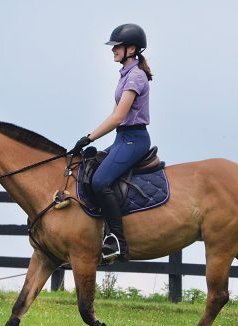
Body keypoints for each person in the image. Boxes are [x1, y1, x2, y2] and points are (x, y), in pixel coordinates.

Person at [70, 23, 153, 263]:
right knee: (89, 169)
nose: (113, 50)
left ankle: (118, 242)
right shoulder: (125, 75)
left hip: (134, 140)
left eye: (117, 46)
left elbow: (118, 117)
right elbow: (115, 115)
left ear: (132, 49)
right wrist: (88, 135)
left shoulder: (136, 76)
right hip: (122, 139)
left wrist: (89, 138)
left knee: (100, 181)